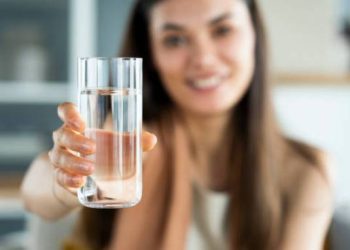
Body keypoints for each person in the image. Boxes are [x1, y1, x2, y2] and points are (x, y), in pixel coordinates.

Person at [21, 0, 334, 249]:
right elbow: (36, 191)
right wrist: (64, 180)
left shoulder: (304, 170)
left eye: (222, 30)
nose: (203, 59)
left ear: (254, 35)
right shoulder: (126, 144)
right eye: (174, 39)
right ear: (151, 54)